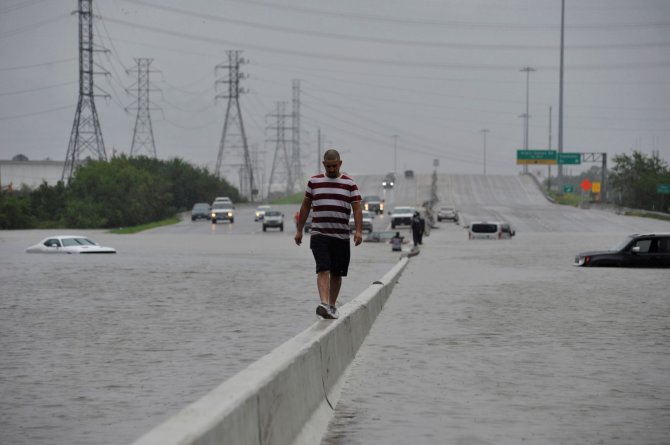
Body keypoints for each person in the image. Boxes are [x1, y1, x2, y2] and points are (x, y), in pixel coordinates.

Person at [294, 149, 363, 320]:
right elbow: (305, 206)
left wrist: (359, 231)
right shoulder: (314, 182)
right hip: (320, 233)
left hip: (341, 236)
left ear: (340, 164)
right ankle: (324, 303)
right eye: (329, 166)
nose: (332, 169)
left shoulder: (349, 184)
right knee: (323, 268)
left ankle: (332, 305)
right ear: (324, 164)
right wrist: (299, 230)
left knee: (337, 273)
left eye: (335, 166)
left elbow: (356, 208)